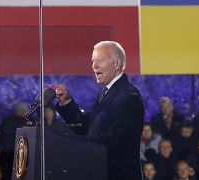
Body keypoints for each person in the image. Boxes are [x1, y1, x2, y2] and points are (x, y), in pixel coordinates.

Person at [51, 41, 145, 180]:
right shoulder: (106, 92)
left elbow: (114, 140)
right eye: (93, 61)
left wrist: (71, 144)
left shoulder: (129, 96)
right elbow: (87, 126)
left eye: (99, 60)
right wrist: (66, 102)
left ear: (116, 63)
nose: (94, 66)